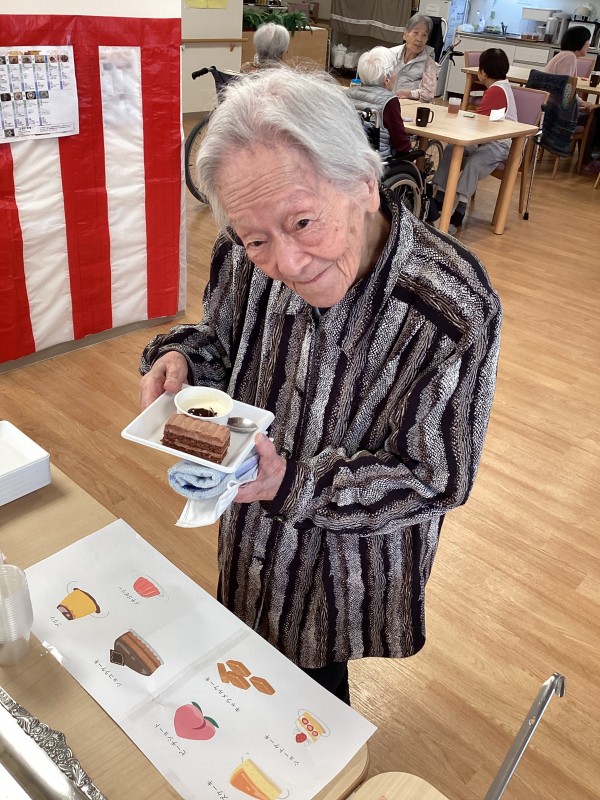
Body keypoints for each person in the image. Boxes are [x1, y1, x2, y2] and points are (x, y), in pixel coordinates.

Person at [139, 66, 502, 705]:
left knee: (313, 702)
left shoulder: (450, 308)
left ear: (364, 183)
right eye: (257, 239)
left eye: (304, 222)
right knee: (245, 675)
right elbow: (221, 338)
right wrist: (185, 361)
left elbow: (437, 477)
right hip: (251, 537)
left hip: (343, 567)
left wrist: (294, 482)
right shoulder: (240, 254)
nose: (286, 263)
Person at [432, 48, 517, 233]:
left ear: (483, 72)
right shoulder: (500, 86)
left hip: (499, 144)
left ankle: (460, 208)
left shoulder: (496, 91)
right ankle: (440, 195)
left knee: (473, 161)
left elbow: (479, 122)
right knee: (451, 150)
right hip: (486, 138)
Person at [347, 46, 412, 158]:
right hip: (378, 161)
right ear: (387, 79)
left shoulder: (347, 94)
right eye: (395, 70)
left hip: (350, 156)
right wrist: (408, 149)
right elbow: (400, 143)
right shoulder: (389, 101)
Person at [544, 25, 594, 113]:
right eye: (588, 41)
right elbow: (566, 89)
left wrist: (580, 103)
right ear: (580, 42)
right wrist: (583, 103)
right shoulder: (569, 57)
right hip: (555, 109)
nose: (589, 45)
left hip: (549, 103)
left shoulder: (564, 54)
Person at [389, 13, 437, 102]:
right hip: (387, 101)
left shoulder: (428, 62)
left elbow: (429, 93)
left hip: (411, 104)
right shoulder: (390, 54)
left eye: (424, 35)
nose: (419, 39)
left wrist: (410, 94)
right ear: (405, 35)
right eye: (416, 33)